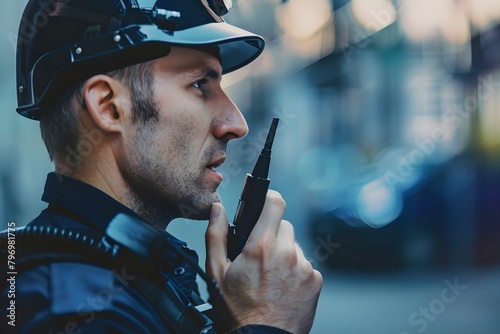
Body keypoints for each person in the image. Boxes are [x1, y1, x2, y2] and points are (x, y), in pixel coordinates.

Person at [1, 0, 323, 333]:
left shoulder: (143, 272)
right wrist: (267, 322)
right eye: (200, 84)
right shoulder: (71, 313)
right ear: (110, 108)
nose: (236, 124)